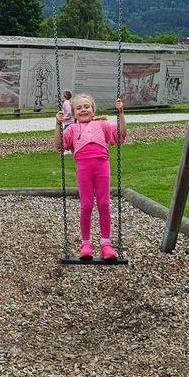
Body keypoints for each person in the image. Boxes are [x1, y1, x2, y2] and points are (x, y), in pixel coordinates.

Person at [55, 94, 127, 261]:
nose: (83, 110)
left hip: (102, 166)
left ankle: (106, 244)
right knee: (86, 205)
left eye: (86, 106)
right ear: (73, 113)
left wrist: (121, 113)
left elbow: (120, 135)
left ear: (93, 110)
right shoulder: (72, 129)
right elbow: (59, 145)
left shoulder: (102, 125)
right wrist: (58, 124)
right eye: (79, 108)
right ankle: (85, 244)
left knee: (104, 204)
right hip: (83, 168)